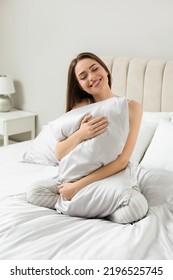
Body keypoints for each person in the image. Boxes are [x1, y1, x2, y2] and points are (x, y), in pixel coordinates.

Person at [27, 52, 148, 223]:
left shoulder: (131, 107)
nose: (92, 77)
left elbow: (122, 161)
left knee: (135, 208)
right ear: (81, 85)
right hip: (78, 175)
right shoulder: (80, 107)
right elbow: (59, 154)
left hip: (110, 176)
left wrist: (76, 188)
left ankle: (81, 204)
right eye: (83, 77)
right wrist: (81, 134)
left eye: (94, 69)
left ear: (105, 71)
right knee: (34, 192)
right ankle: (95, 206)